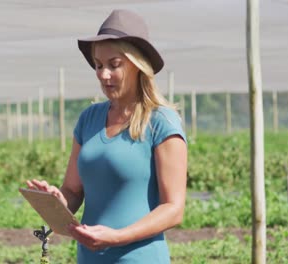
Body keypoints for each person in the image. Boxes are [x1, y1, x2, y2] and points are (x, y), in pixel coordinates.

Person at [26, 9, 187, 263]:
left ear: (137, 65)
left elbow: (173, 209)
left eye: (114, 65)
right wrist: (58, 202)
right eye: (99, 65)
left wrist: (118, 237)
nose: (103, 74)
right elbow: (72, 189)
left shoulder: (161, 122)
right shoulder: (89, 119)